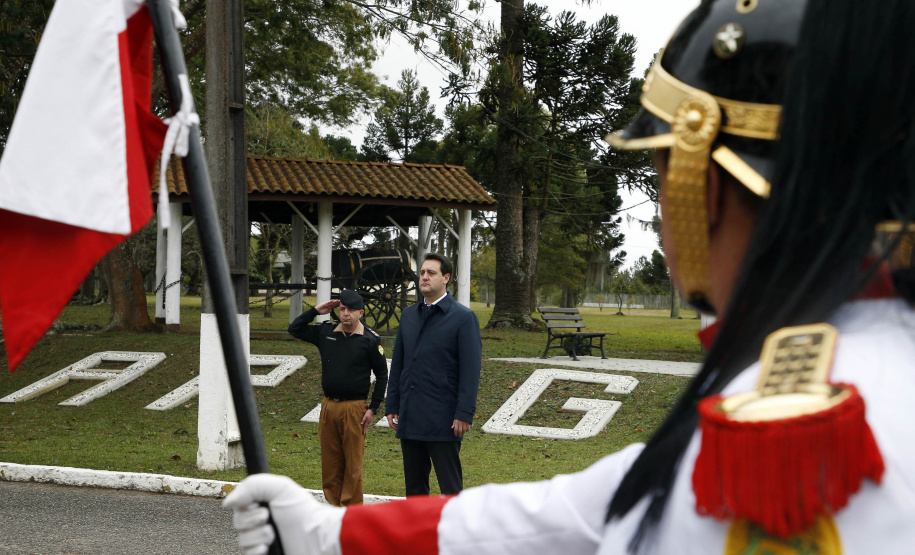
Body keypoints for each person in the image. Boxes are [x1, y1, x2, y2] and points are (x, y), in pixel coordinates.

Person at [225, 1, 915, 553]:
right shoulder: (843, 365)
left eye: (659, 168)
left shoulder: (795, 430)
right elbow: (578, 510)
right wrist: (332, 535)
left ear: (700, 186)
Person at [385, 252, 482, 496]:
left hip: (445, 418)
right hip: (411, 414)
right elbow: (398, 364)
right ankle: (417, 534)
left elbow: (470, 371)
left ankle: (456, 534)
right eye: (422, 273)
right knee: (415, 490)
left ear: (446, 278)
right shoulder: (408, 315)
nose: (424, 277)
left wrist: (464, 413)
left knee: (451, 489)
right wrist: (392, 404)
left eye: (431, 273)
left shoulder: (463, 318)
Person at [287, 289, 388, 506]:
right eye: (342, 309)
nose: (345, 314)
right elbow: (294, 328)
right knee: (330, 462)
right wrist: (316, 310)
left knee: (352, 464)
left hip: (355, 409)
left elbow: (382, 375)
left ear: (360, 312)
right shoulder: (325, 332)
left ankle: (351, 512)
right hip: (329, 406)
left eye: (351, 310)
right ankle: (333, 508)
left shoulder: (370, 340)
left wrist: (374, 408)